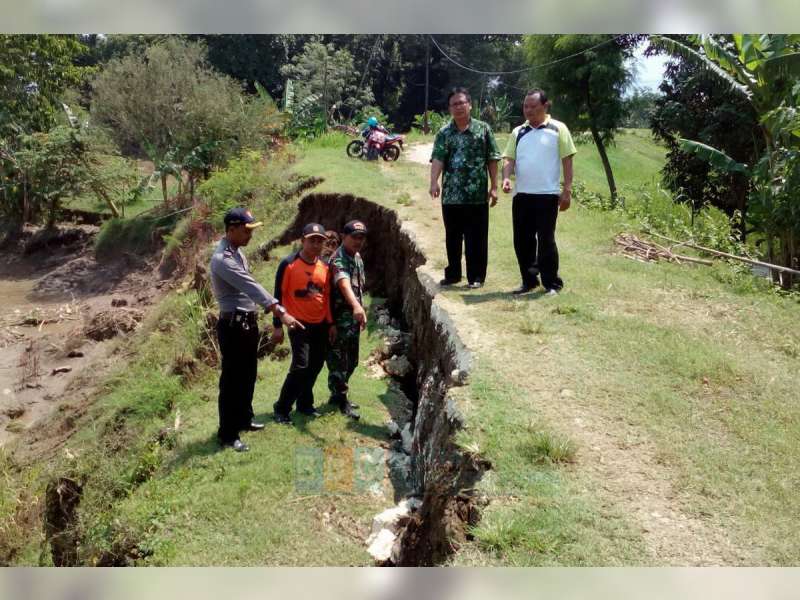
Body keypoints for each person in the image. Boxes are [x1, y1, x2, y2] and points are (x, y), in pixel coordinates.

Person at [209, 207, 303, 452]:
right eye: (246, 229)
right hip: (232, 325)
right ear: (231, 229)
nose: (250, 234)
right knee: (231, 380)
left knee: (248, 374)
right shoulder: (223, 259)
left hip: (246, 322)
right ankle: (228, 434)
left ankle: (243, 419)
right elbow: (251, 287)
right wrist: (280, 312)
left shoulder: (237, 252)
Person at [501, 89, 576, 295]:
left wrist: (567, 190)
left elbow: (567, 160)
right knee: (522, 240)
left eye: (533, 106)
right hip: (522, 195)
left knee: (546, 240)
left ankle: (551, 283)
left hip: (547, 195)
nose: (529, 110)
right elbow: (509, 159)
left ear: (545, 106)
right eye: (526, 106)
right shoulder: (518, 132)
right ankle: (529, 281)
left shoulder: (558, 129)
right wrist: (506, 177)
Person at [429, 87, 501, 289]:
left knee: (476, 238)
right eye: (454, 104)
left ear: (470, 105)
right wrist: (434, 181)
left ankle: (476, 277)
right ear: (450, 108)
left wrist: (494, 186)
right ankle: (453, 274)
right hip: (451, 195)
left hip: (476, 196)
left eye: (462, 103)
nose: (459, 107)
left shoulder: (483, 129)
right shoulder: (444, 133)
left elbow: (492, 158)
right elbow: (438, 158)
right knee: (452, 237)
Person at [271, 223, 335, 424]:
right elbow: (277, 295)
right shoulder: (288, 264)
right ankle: (282, 408)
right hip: (297, 324)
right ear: (303, 241)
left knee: (315, 365)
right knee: (300, 365)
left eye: (320, 241)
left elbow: (327, 298)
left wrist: (331, 323)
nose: (316, 244)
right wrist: (277, 324)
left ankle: (305, 404)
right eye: (312, 240)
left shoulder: (325, 267)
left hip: (321, 324)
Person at [326, 220, 368, 420]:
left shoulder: (357, 258)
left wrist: (360, 309)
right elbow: (344, 284)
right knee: (339, 362)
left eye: (361, 237)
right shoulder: (338, 259)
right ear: (344, 236)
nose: (358, 241)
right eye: (354, 237)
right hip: (338, 321)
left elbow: (358, 288)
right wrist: (356, 306)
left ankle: (338, 394)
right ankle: (340, 399)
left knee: (352, 362)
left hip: (352, 321)